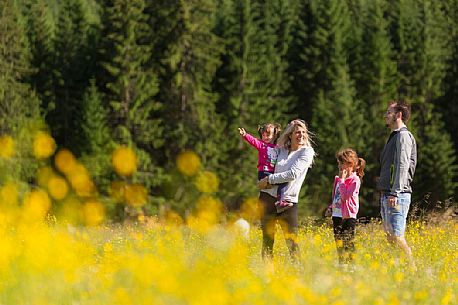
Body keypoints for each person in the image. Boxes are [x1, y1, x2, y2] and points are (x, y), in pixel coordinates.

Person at [257, 119, 315, 258]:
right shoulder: (281, 149)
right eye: (297, 132)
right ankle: (266, 274)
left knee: (292, 243)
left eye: (303, 132)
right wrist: (261, 181)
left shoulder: (306, 152)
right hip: (267, 197)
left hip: (288, 202)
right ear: (290, 135)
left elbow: (293, 174)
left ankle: (298, 275)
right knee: (267, 240)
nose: (301, 135)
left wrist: (269, 179)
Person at [377, 100, 417, 267]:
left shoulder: (403, 136)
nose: (386, 115)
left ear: (398, 115)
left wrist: (395, 192)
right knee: (390, 237)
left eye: (389, 112)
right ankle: (400, 270)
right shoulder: (394, 136)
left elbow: (402, 165)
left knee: (397, 236)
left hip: (396, 195)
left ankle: (413, 270)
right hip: (388, 193)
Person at [326, 148, 365, 266]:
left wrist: (342, 180)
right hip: (337, 214)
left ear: (351, 165)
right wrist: (331, 206)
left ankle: (351, 266)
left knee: (348, 242)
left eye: (342, 163)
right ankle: (342, 265)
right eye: (339, 163)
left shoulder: (355, 180)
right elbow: (336, 197)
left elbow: (345, 197)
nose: (340, 166)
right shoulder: (338, 179)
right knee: (339, 242)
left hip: (348, 216)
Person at [238, 123, 291, 209]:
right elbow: (253, 141)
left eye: (268, 135)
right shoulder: (262, 145)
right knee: (282, 182)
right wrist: (245, 135)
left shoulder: (277, 147)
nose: (265, 137)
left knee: (284, 181)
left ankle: (278, 201)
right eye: (263, 135)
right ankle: (279, 201)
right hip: (264, 172)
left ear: (274, 136)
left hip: (272, 173)